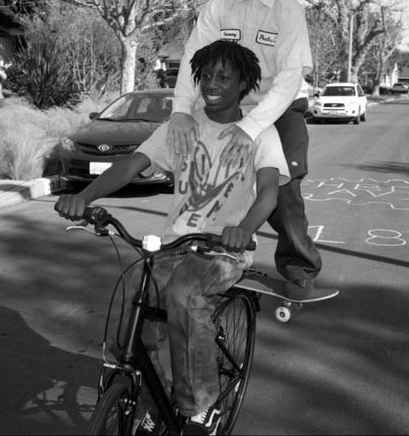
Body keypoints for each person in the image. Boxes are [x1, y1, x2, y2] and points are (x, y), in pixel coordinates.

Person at [55, 41, 289, 436]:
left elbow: (269, 190)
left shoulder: (259, 133)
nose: (212, 84)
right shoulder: (181, 128)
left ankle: (200, 406)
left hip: (223, 251)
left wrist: (244, 228)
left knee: (184, 295)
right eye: (207, 76)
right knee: (133, 286)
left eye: (224, 77)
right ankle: (141, 387)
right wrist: (84, 196)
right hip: (173, 245)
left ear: (244, 84)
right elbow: (131, 165)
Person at [167, 0, 322, 300]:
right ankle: (204, 253)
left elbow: (288, 78)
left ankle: (299, 268)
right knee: (209, 180)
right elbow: (192, 58)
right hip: (228, 104)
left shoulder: (290, 13)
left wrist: (251, 128)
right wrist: (182, 110)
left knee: (284, 190)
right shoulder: (220, 5)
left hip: (279, 109)